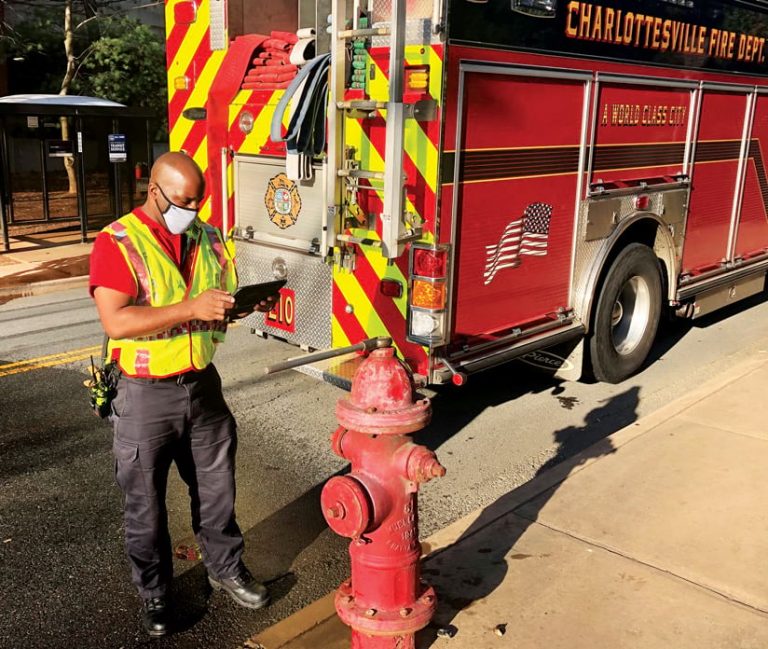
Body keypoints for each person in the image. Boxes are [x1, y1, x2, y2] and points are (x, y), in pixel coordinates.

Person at [89, 152, 276, 637]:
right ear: (155, 190)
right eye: (184, 200)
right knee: (145, 505)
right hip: (143, 395)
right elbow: (117, 320)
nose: (193, 208)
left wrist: (239, 306)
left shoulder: (207, 237)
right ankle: (154, 592)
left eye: (200, 199)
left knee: (217, 492)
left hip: (201, 385)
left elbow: (215, 304)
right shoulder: (118, 242)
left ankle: (225, 567)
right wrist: (190, 305)